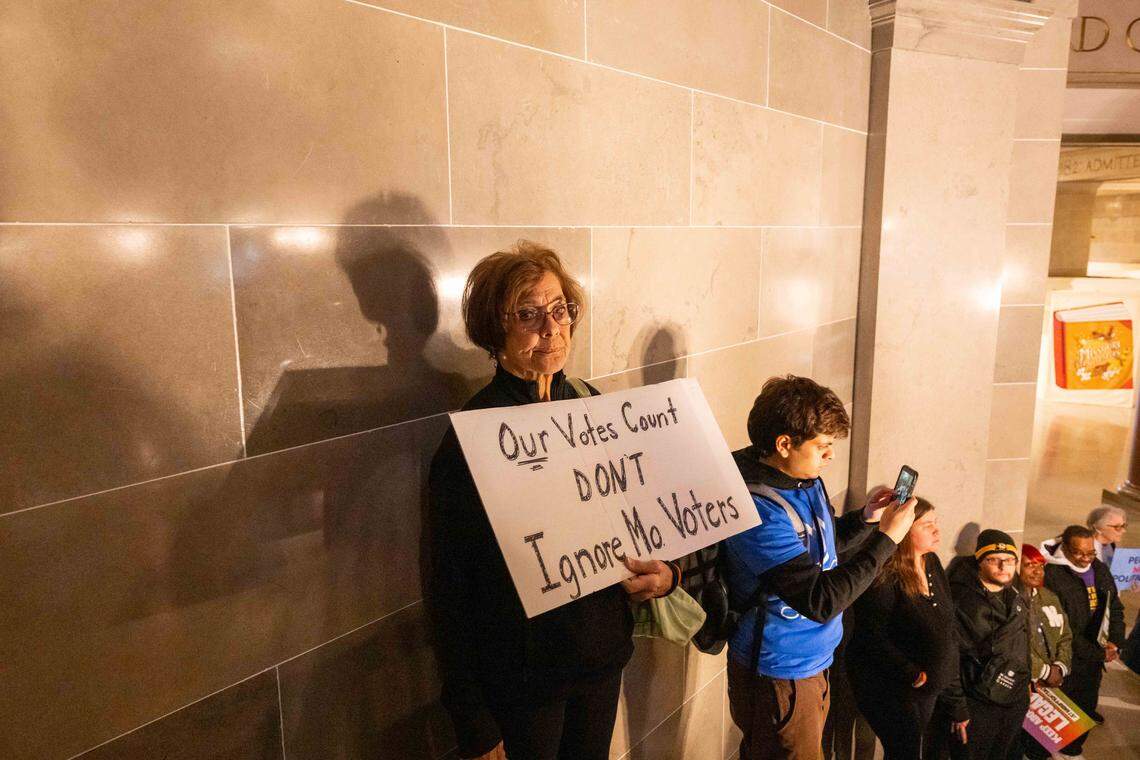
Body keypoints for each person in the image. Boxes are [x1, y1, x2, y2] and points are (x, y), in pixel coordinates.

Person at [427, 242, 679, 760]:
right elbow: (448, 585)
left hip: (600, 663)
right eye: (528, 314)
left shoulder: (595, 411)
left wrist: (665, 572)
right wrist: (472, 718)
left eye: (559, 309)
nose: (551, 327)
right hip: (522, 686)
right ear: (494, 332)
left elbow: (636, 519)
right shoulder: (473, 436)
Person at [723, 375, 917, 759]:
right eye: (823, 446)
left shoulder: (803, 478)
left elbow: (821, 550)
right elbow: (819, 599)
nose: (830, 457)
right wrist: (888, 540)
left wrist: (865, 519)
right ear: (783, 444)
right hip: (779, 670)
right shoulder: (756, 507)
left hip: (812, 660)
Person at [846, 498, 967, 759]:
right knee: (905, 750)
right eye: (927, 525)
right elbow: (870, 635)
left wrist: (956, 699)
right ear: (903, 529)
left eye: (936, 523)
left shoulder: (931, 563)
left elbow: (948, 632)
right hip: (890, 687)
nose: (937, 531)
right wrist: (910, 672)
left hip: (928, 688)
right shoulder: (884, 574)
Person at [1041, 525, 1126, 757]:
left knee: (1085, 708)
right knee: (1056, 712)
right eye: (1079, 553)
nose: (1085, 559)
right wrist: (1098, 653)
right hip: (1066, 659)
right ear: (1065, 547)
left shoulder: (1098, 569)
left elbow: (1115, 607)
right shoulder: (1051, 576)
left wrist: (1115, 642)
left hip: (1093, 660)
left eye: (1091, 553)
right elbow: (1060, 627)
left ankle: (1072, 750)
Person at [945, 530, 1030, 760]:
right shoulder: (961, 600)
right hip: (977, 700)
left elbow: (1023, 642)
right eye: (994, 560)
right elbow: (950, 658)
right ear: (980, 562)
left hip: (1014, 696)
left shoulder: (1018, 592)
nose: (1004, 566)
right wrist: (958, 707)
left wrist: (1026, 683)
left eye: (1010, 560)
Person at [1017, 543, 1073, 760]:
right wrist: (1043, 671)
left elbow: (1065, 635)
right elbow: (1011, 647)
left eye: (1041, 565)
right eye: (1029, 565)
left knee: (1040, 747)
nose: (1038, 571)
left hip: (1048, 687)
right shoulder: (1009, 599)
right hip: (1022, 685)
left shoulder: (1049, 597)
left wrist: (1059, 667)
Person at [1086, 505, 1127, 573]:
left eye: (1123, 526)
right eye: (1117, 527)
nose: (1123, 531)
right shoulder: (1083, 547)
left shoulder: (1111, 545)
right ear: (1098, 527)